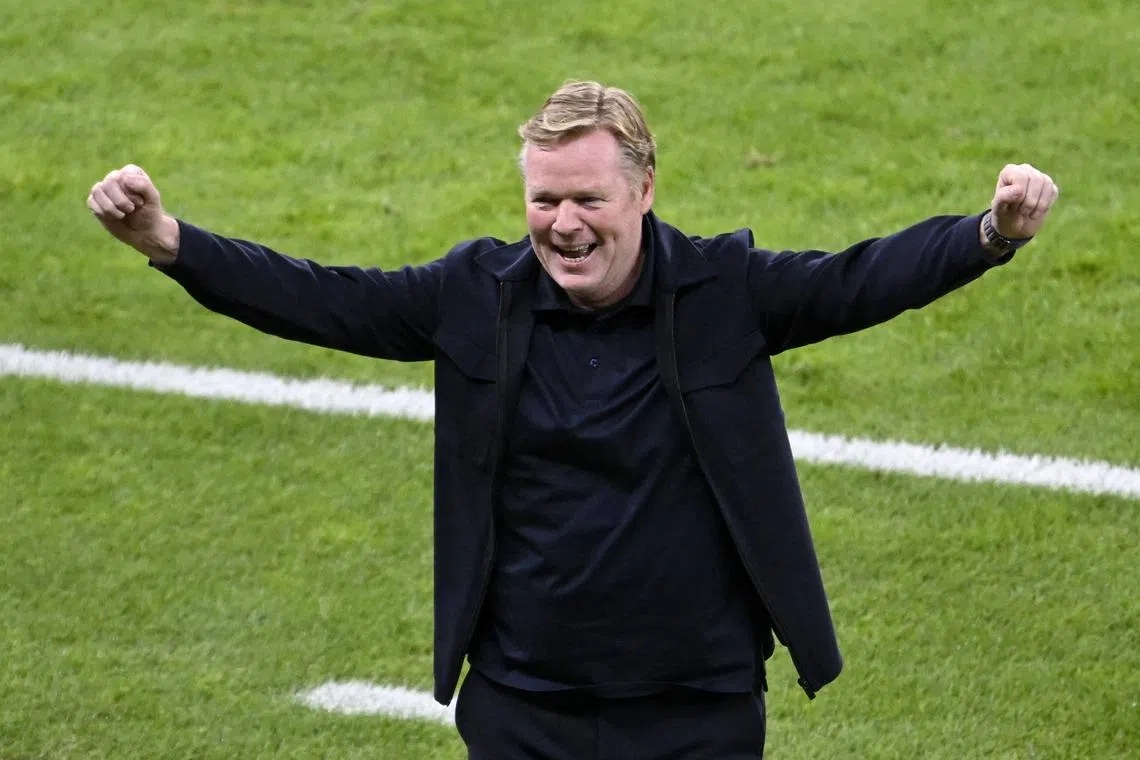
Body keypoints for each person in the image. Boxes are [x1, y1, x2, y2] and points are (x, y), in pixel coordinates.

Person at [87, 80, 1058, 759]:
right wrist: (172, 244)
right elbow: (325, 299)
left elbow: (861, 279)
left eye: (587, 198)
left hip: (699, 708)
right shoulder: (475, 295)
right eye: (544, 199)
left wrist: (990, 234)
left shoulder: (724, 289)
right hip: (523, 707)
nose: (564, 223)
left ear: (642, 189)